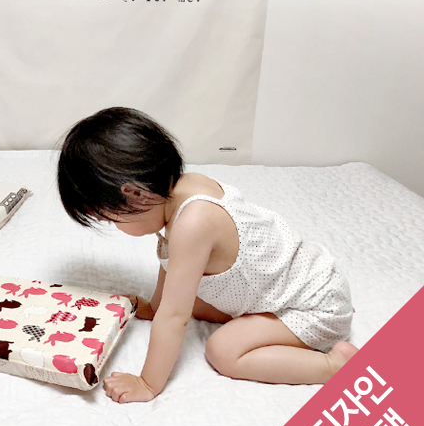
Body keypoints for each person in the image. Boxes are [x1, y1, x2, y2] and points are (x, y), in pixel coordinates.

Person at [58, 107, 357, 403]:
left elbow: (174, 318)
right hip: (307, 281)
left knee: (223, 351)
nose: (115, 227)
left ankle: (333, 366)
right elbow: (171, 263)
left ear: (135, 193)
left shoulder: (194, 223)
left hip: (314, 309)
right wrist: (155, 306)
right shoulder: (183, 189)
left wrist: (147, 383)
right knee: (192, 299)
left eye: (111, 219)